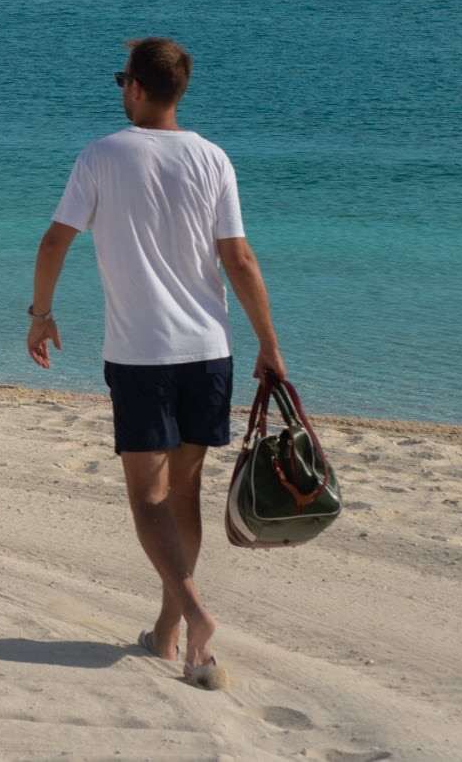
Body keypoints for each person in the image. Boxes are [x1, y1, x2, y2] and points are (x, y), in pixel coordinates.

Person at [24, 36, 285, 691]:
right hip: (209, 351)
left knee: (148, 499)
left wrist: (41, 313)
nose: (122, 91)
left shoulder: (102, 154)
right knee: (185, 493)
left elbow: (55, 241)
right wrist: (269, 343)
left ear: (137, 88)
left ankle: (194, 613)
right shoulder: (213, 157)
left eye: (122, 81)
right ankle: (170, 637)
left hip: (142, 355)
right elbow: (239, 258)